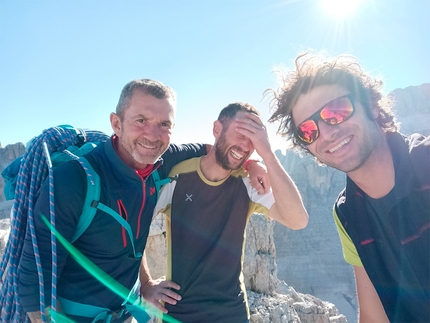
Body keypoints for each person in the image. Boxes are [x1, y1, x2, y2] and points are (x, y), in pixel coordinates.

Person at [17, 79, 213, 323]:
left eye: (164, 124)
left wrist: (253, 165)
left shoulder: (158, 164)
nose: (153, 135)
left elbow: (209, 150)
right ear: (117, 124)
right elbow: (35, 284)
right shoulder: (73, 180)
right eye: (141, 120)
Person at [267, 52, 429, 322]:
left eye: (336, 111)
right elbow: (374, 315)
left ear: (372, 105)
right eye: (307, 130)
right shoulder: (347, 213)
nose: (327, 133)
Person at [139, 102, 309, 323]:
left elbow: (298, 220)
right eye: (241, 134)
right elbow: (135, 228)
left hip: (232, 313)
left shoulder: (248, 183)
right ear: (217, 129)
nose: (245, 145)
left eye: (253, 139)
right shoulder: (177, 176)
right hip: (180, 313)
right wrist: (146, 284)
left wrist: (266, 154)